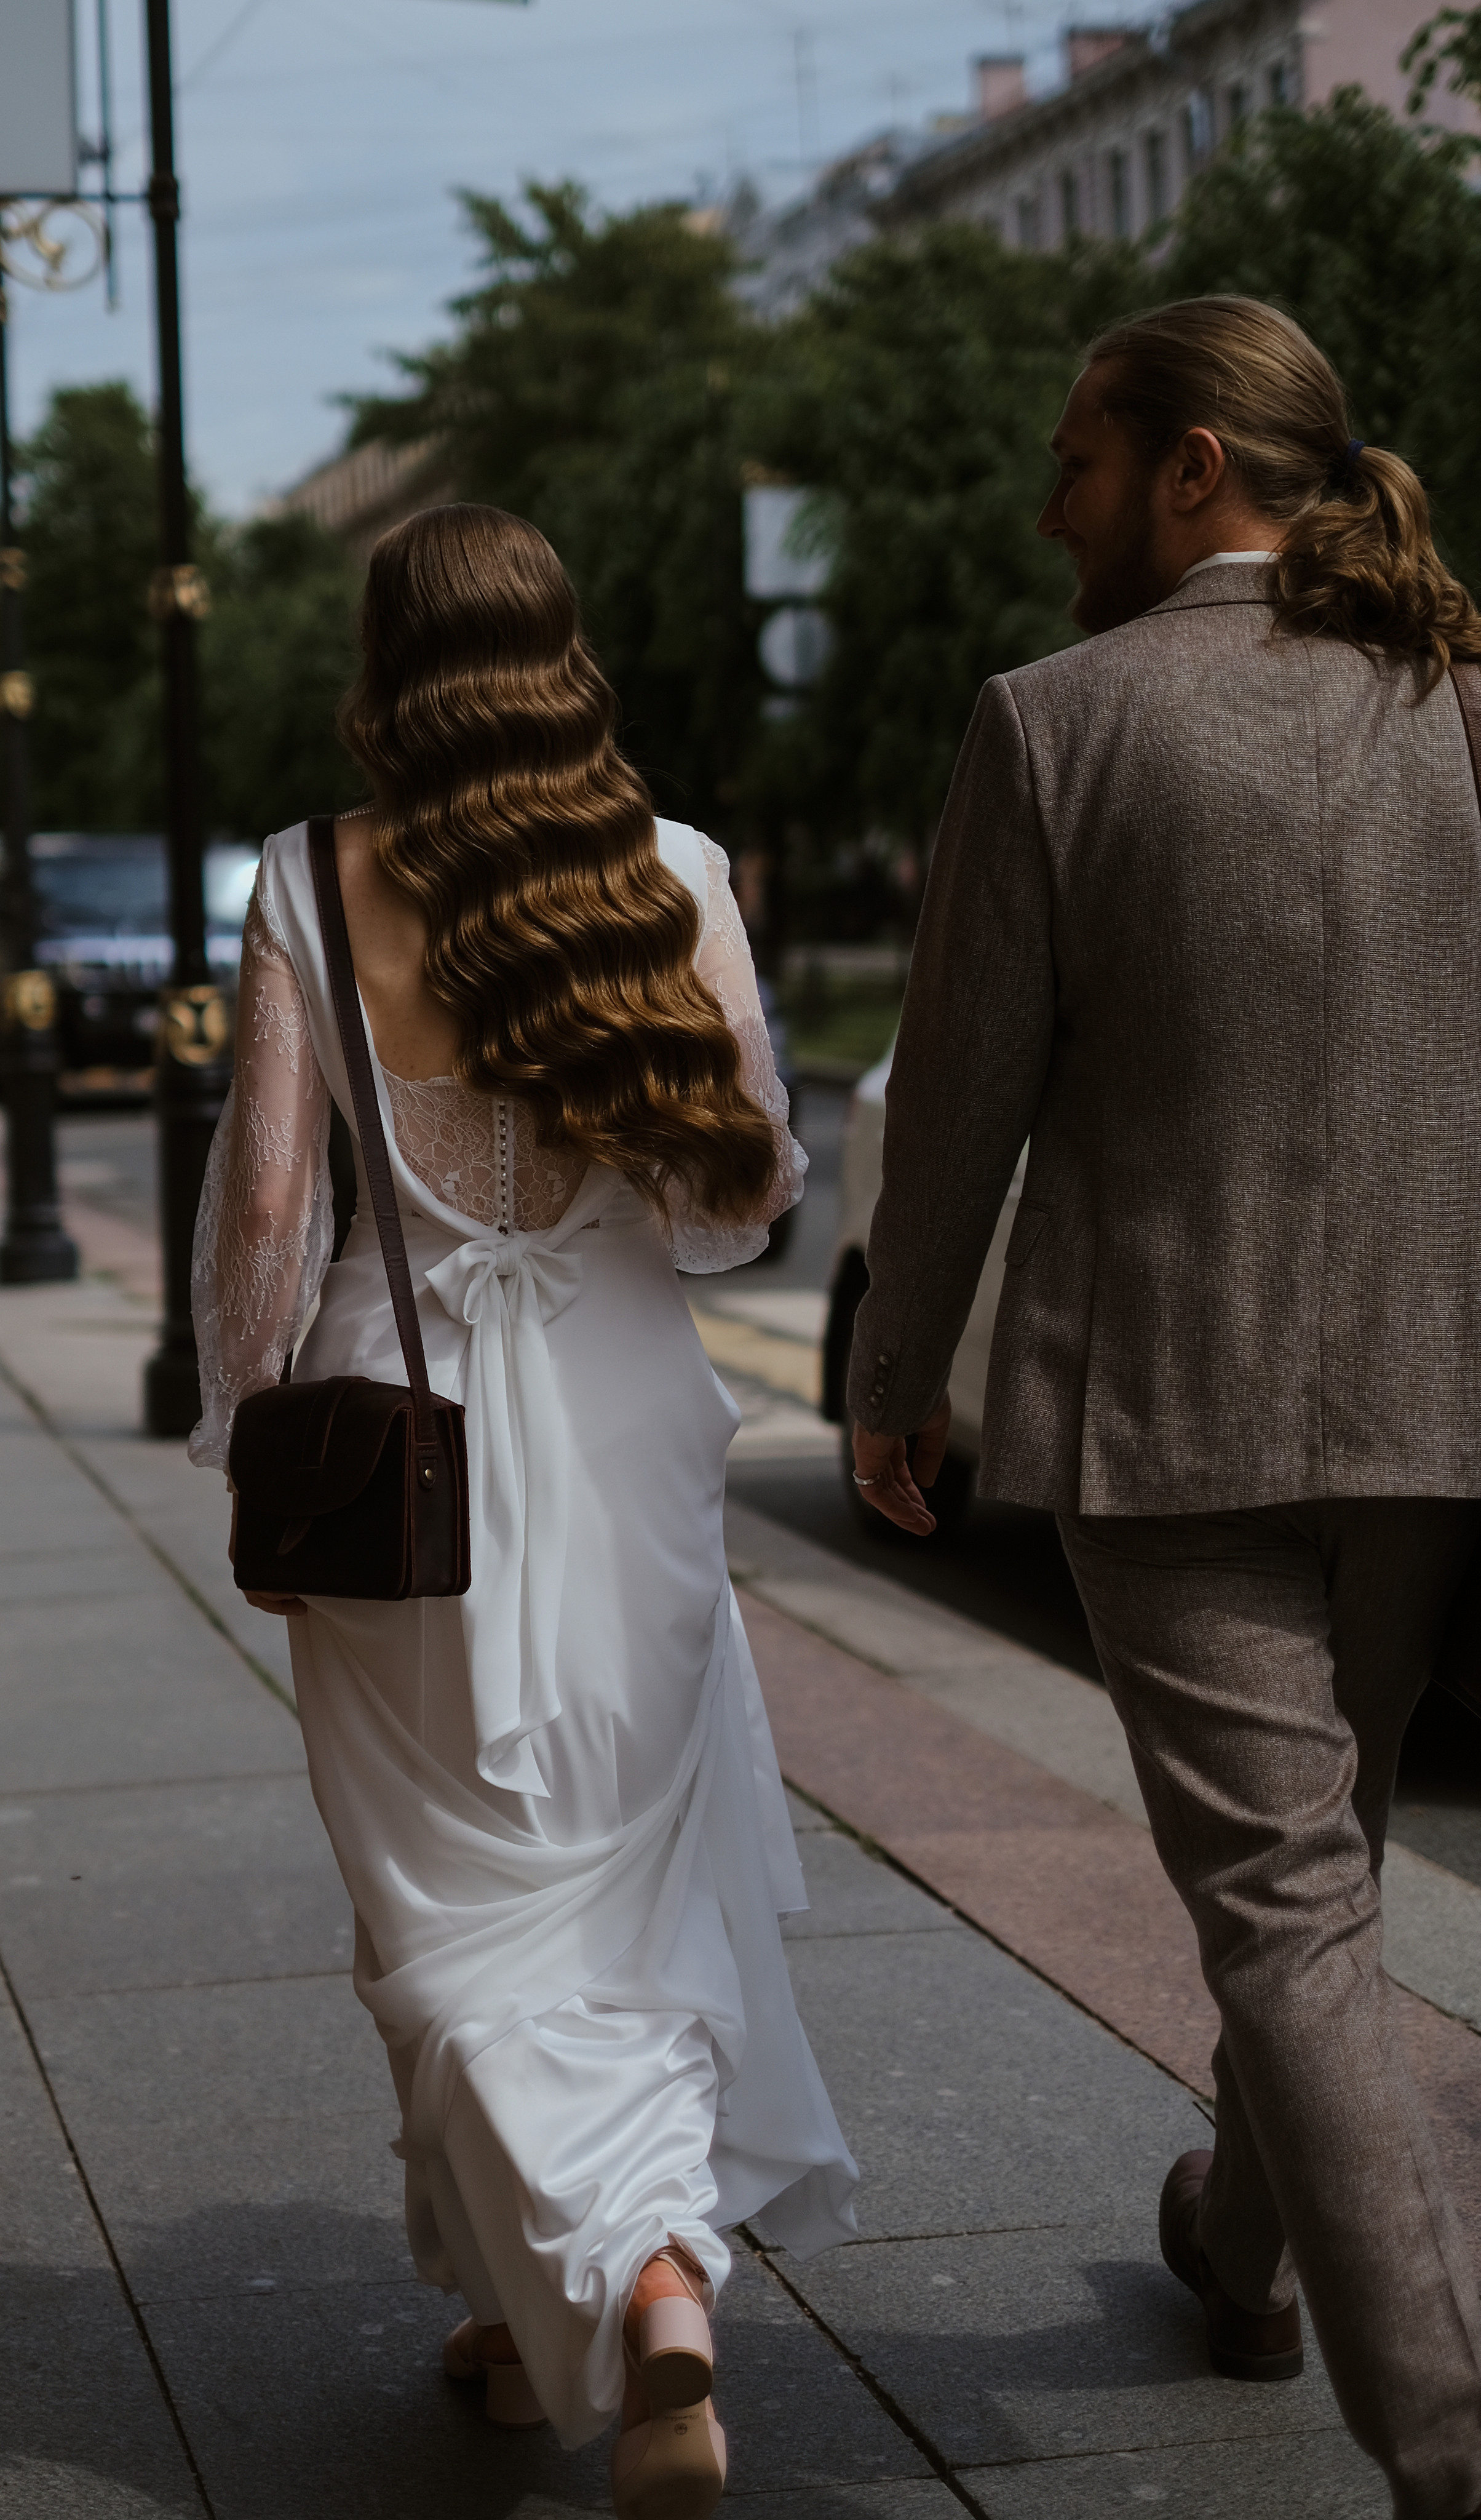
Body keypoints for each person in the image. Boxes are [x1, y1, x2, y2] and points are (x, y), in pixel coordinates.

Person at [848, 295, 1481, 2520]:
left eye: (1081, 463)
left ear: (1195, 464)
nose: (1053, 508)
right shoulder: (1459, 707)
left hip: (1165, 1415)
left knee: (1289, 1909)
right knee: (1317, 1873)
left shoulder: (1054, 724)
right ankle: (1241, 2243)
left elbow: (958, 1113)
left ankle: (1447, 2438)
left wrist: (895, 1381)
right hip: (1431, 1402)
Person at [189, 503, 857, 2519]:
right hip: (631, 1425)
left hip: (400, 1444)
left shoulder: (309, 881)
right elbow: (737, 1201)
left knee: (448, 1921)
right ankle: (570, 2307)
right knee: (626, 1890)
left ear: (386, 667)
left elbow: (270, 1215)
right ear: (563, 656)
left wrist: (245, 1424)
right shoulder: (670, 878)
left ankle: (632, 2272)